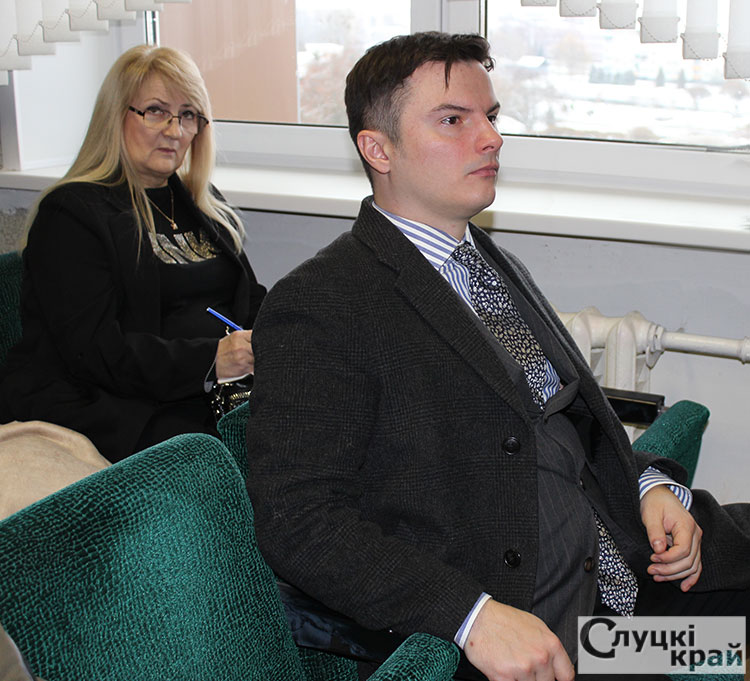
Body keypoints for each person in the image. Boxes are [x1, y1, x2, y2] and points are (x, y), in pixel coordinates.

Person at [245, 32, 750, 681]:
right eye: (454, 120)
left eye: (490, 116)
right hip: (557, 632)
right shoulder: (322, 304)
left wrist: (650, 486)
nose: (490, 138)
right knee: (723, 650)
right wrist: (471, 616)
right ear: (378, 148)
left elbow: (565, 422)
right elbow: (298, 521)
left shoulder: (486, 263)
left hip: (626, 577)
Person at [0, 45, 265, 462]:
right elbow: (96, 352)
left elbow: (248, 298)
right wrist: (212, 360)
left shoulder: (201, 202)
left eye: (188, 115)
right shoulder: (71, 214)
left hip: (207, 388)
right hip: (110, 403)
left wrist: (288, 329)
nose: (175, 131)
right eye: (156, 111)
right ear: (115, 114)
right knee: (245, 452)